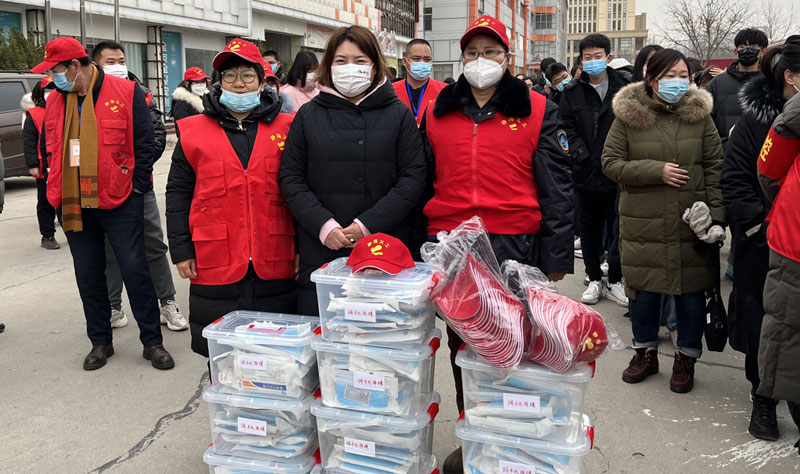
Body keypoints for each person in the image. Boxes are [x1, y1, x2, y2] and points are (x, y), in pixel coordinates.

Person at [421, 16, 574, 474]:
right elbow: (420, 180)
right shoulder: (438, 111)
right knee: (463, 345)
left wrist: (555, 255)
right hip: (452, 246)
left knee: (515, 345)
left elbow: (557, 187)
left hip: (514, 244)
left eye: (490, 52)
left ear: (507, 59)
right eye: (472, 53)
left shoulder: (537, 109)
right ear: (461, 59)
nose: (480, 60)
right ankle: (474, 438)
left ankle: (512, 442)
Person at [32, 37, 174, 370]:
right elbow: (49, 148)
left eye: (56, 70)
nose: (53, 77)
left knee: (135, 268)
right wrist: (54, 191)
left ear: (75, 66)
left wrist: (137, 188)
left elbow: (145, 143)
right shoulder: (56, 101)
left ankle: (152, 342)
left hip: (120, 197)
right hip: (73, 201)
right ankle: (100, 342)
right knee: (88, 273)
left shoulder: (126, 92)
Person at [279, 25, 426, 316]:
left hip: (384, 247)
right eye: (341, 61)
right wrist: (324, 225)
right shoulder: (308, 115)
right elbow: (291, 178)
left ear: (374, 66)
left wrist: (366, 225)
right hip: (322, 245)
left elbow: (413, 177)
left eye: (360, 61)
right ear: (329, 66)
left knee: (383, 333)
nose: (350, 68)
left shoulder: (398, 114)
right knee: (325, 331)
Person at [602, 48, 725, 393]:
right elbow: (610, 163)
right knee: (644, 293)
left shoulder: (700, 118)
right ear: (651, 79)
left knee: (691, 294)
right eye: (669, 76)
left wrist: (717, 218)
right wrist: (656, 171)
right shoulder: (629, 117)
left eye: (683, 75)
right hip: (644, 222)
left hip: (691, 222)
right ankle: (645, 354)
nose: (678, 82)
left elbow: (715, 169)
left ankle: (686, 358)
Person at [166, 38, 298, 357]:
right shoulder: (193, 131)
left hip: (276, 255)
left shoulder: (289, 128)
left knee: (276, 355)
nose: (239, 83)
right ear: (219, 82)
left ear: (262, 82)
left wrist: (302, 250)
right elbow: (178, 193)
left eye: (247, 75)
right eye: (230, 75)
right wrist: (181, 250)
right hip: (214, 257)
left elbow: (300, 191)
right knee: (222, 353)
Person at [722, 38, 800, 442]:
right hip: (764, 242)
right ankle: (763, 398)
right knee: (762, 325)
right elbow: (736, 179)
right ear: (791, 77)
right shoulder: (758, 118)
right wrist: (761, 227)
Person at [90, 41, 186, 331]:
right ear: (95, 65)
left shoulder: (140, 93)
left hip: (137, 184)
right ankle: (113, 306)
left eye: (121, 60)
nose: (118, 66)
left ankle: (167, 302)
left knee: (153, 243)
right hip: (101, 187)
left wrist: (133, 171)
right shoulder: (86, 97)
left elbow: (155, 136)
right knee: (108, 248)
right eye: (110, 62)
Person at [560, 33, 629, 307]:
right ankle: (593, 278)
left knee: (618, 228)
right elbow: (564, 128)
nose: (592, 61)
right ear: (580, 60)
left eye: (597, 56)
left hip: (618, 171)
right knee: (589, 229)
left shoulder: (624, 88)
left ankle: (615, 279)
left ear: (608, 57)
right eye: (587, 57)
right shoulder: (571, 91)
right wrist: (580, 155)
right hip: (585, 170)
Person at [755, 40, 800, 452]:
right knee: (786, 332)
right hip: (791, 243)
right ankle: (765, 401)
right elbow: (768, 173)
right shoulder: (788, 116)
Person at [708, 28, 769, 152]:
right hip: (725, 152)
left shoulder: (770, 83)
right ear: (736, 52)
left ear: (763, 51)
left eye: (753, 47)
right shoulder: (717, 83)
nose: (747, 50)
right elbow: (708, 122)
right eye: (742, 47)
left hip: (760, 153)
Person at [23, 76, 61, 250]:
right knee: (45, 201)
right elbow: (29, 141)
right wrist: (32, 165)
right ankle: (47, 235)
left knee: (67, 201)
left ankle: (72, 231)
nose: (52, 92)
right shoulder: (34, 115)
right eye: (49, 89)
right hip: (44, 165)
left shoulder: (66, 110)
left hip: (64, 164)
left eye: (55, 88)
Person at [393, 39, 447, 126]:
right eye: (416, 59)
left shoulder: (445, 91)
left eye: (427, 59)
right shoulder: (391, 91)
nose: (422, 63)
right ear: (405, 62)